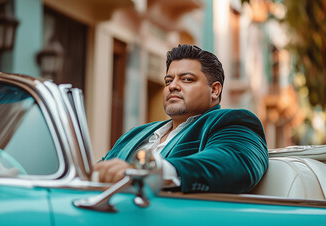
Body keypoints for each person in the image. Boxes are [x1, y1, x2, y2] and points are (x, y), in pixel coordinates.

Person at [94, 44, 268, 193]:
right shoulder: (135, 134)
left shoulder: (233, 122)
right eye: (168, 81)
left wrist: (150, 170)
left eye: (186, 79)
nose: (173, 86)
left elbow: (233, 161)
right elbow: (100, 171)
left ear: (215, 90)